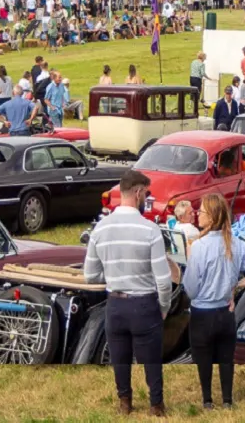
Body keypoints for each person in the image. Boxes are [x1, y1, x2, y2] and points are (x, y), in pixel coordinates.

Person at [83, 170, 171, 417]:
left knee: (120, 357)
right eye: (147, 193)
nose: (147, 198)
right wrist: (164, 307)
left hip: (115, 302)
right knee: (151, 358)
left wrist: (112, 276)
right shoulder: (149, 229)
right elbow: (163, 280)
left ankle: (125, 402)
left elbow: (90, 274)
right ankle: (156, 404)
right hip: (144, 302)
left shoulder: (100, 229)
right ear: (138, 192)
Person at [183, 193, 245, 410]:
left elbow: (191, 289)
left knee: (203, 358)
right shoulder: (237, 244)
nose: (198, 215)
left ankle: (207, 400)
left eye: (201, 211)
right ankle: (228, 400)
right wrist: (236, 285)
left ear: (211, 217)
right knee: (225, 358)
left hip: (202, 312)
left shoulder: (199, 247)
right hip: (226, 311)